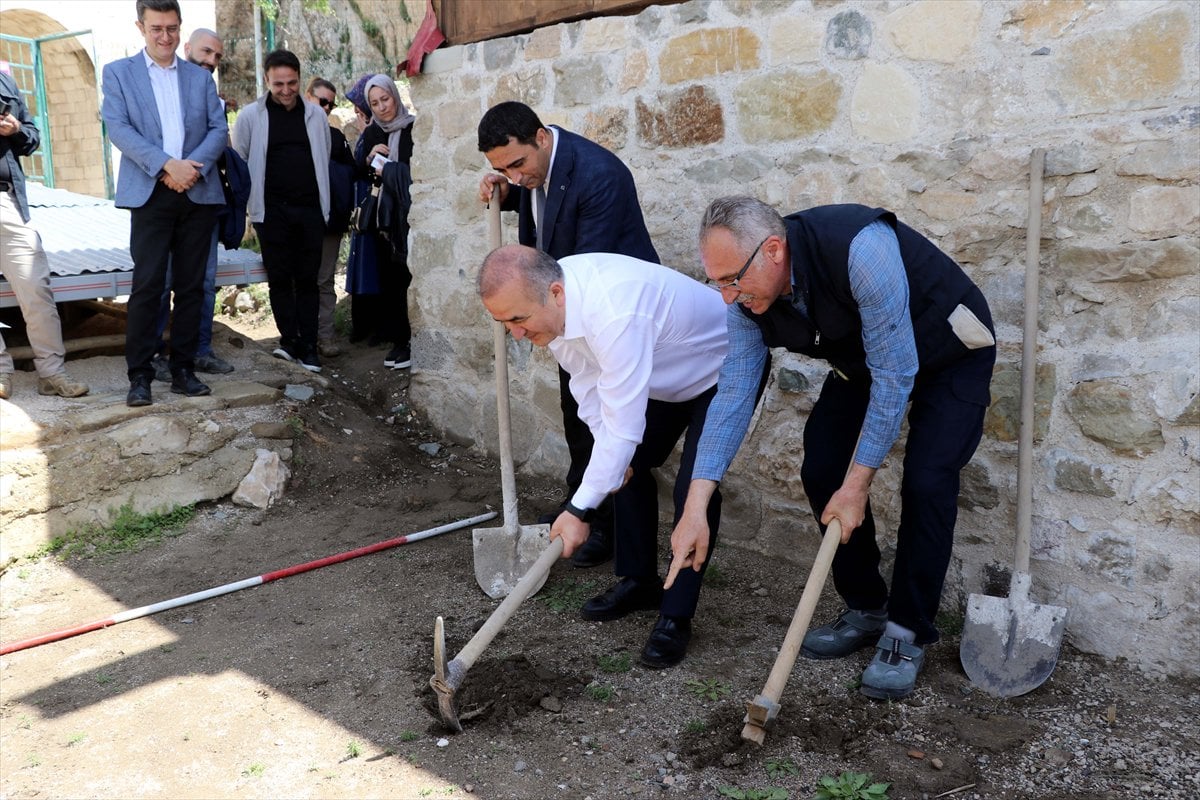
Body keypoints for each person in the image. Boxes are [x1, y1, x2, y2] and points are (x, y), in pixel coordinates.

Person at [666, 196, 998, 700]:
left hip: (949, 349)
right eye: (717, 282)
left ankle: (907, 631)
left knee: (928, 479)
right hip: (864, 359)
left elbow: (896, 377)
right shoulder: (743, 301)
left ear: (773, 251)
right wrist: (694, 507)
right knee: (823, 467)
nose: (727, 296)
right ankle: (868, 607)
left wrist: (859, 483)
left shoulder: (859, 249)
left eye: (733, 279)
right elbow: (733, 394)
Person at [478, 244, 728, 669]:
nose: (516, 335)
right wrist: (607, 464)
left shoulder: (613, 310)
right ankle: (639, 581)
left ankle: (675, 615)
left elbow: (625, 426)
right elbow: (587, 385)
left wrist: (578, 509)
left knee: (694, 488)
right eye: (504, 324)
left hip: (721, 371)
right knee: (619, 467)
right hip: (661, 376)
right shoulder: (555, 312)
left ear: (555, 293)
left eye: (518, 320)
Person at [476, 100, 658, 569]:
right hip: (561, 317)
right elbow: (547, 205)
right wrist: (509, 190)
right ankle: (584, 509)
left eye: (516, 165)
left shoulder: (600, 175)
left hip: (608, 320)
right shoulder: (535, 174)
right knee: (578, 420)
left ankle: (602, 527)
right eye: (502, 169)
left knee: (616, 430)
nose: (515, 176)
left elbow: (583, 267)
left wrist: (539, 319)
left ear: (541, 136)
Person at [101, 0, 228, 407]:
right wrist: (165, 167)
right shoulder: (118, 73)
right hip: (151, 192)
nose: (165, 36)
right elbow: (117, 128)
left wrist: (192, 169)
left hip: (197, 190)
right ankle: (139, 376)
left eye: (172, 28)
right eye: (157, 28)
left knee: (192, 286)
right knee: (148, 285)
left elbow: (218, 128)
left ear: (180, 27)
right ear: (141, 26)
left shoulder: (199, 78)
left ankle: (184, 370)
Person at [232, 49, 330, 373]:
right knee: (279, 279)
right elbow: (240, 161)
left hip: (310, 210)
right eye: (278, 84)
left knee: (307, 280)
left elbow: (323, 157)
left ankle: (310, 348)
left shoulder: (316, 116)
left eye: (291, 83)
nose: (286, 90)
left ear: (300, 80)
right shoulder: (249, 117)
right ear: (266, 81)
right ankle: (289, 342)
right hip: (270, 212)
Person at [0, 70, 89, 402]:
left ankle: (52, 373)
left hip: (7, 201)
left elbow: (33, 137)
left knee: (36, 288)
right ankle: (1, 372)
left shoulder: (6, 83)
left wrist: (16, 129)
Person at [150, 26, 232, 381]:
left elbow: (218, 136)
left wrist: (190, 173)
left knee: (203, 281)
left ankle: (199, 350)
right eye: (206, 52)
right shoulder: (162, 83)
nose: (210, 60)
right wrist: (170, 172)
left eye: (216, 56)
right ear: (187, 48)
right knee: (160, 280)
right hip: (158, 194)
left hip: (201, 197)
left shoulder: (211, 91)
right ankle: (154, 354)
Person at [351, 74, 414, 370]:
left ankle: (414, 343)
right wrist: (370, 159)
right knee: (390, 280)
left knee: (407, 277)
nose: (381, 107)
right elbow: (358, 170)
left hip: (408, 216)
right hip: (383, 220)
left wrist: (392, 170)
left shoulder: (413, 127)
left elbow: (415, 172)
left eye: (385, 99)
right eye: (374, 103)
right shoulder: (373, 133)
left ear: (395, 96)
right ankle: (399, 340)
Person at [305, 77, 354, 359]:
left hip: (330, 220)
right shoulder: (291, 133)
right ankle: (301, 338)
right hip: (300, 220)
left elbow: (351, 172)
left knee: (324, 280)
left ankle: (325, 337)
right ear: (307, 97)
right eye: (321, 101)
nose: (325, 107)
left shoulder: (336, 138)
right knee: (301, 279)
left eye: (330, 104)